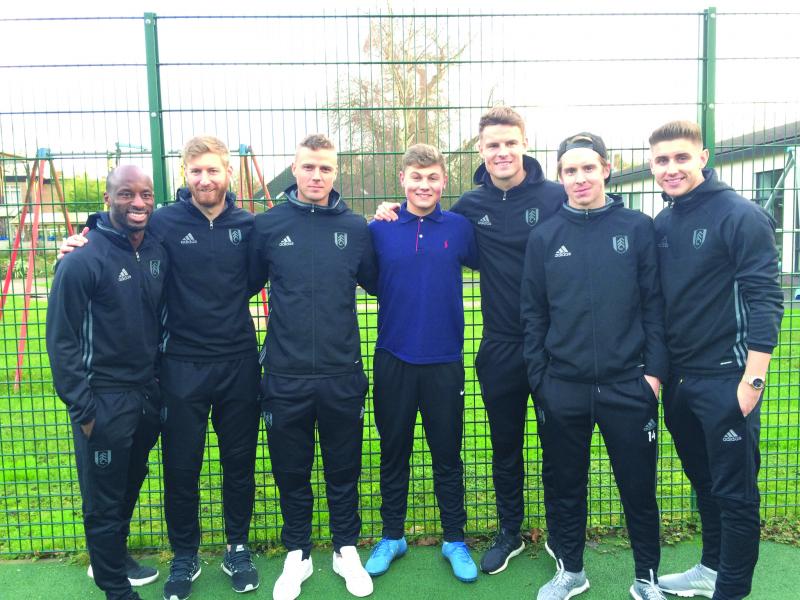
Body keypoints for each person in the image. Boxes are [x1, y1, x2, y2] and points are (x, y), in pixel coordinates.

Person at [59, 136, 262, 600]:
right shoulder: (164, 222)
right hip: (179, 368)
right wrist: (81, 239)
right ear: (184, 176)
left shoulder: (251, 226)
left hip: (238, 364)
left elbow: (256, 278)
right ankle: (185, 554)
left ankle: (237, 547)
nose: (205, 179)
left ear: (228, 173)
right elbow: (114, 240)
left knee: (239, 464)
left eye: (213, 170)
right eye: (196, 172)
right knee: (181, 467)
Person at [374, 106, 566, 574]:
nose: (501, 152)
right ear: (480, 150)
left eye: (509, 142)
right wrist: (387, 213)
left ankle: (562, 537)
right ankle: (509, 532)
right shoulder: (469, 210)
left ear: (524, 142)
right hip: (499, 345)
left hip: (555, 346)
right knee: (505, 446)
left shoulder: (558, 196)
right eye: (492, 144)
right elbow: (420, 235)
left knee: (561, 445)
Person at [521, 133, 668, 600]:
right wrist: (541, 380)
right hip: (563, 386)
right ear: (560, 176)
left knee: (638, 487)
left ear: (606, 169)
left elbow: (655, 307)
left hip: (630, 385)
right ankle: (570, 571)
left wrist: (653, 376)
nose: (580, 178)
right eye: (570, 170)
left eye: (588, 168)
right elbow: (534, 314)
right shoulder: (544, 236)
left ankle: (646, 578)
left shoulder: (638, 227)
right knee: (565, 485)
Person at [649, 121, 784, 600]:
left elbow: (766, 297)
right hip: (683, 383)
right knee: (704, 482)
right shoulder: (663, 222)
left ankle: (732, 589)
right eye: (662, 160)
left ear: (703, 157)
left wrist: (755, 379)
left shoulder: (739, 215)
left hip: (728, 380)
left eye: (681, 158)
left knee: (736, 492)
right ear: (652, 164)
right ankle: (710, 569)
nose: (672, 168)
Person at [248, 134, 379, 600]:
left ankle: (346, 549)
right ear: (295, 169)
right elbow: (233, 283)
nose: (316, 176)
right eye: (308, 167)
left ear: (335, 171)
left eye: (325, 168)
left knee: (344, 469)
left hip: (343, 373)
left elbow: (384, 281)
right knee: (291, 469)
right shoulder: (268, 226)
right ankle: (297, 554)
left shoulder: (357, 228)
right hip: (284, 375)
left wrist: (392, 221)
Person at [46, 165, 167, 600]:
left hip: (147, 394)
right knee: (103, 500)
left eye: (146, 194)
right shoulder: (81, 259)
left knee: (130, 482)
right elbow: (61, 341)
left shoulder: (155, 248)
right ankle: (115, 588)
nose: (138, 203)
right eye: (126, 194)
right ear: (106, 197)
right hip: (104, 400)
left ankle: (114, 560)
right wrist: (84, 410)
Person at [364, 144, 480, 582]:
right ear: (402, 180)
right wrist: (380, 214)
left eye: (432, 178)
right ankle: (392, 535)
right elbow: (370, 279)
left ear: (443, 181)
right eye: (416, 177)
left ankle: (455, 539)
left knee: (447, 453)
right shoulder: (380, 228)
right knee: (394, 452)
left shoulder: (459, 228)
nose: (424, 185)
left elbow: (494, 262)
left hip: (445, 359)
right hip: (393, 356)